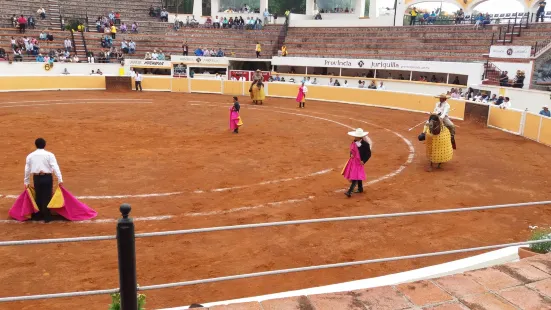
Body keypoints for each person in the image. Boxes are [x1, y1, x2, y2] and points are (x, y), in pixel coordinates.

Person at [23, 138, 62, 222]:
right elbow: (55, 167)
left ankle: (38, 215)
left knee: (38, 195)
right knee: (47, 196)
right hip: (47, 177)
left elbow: (27, 169)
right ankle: (47, 217)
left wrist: (26, 181)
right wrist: (60, 179)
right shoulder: (49, 155)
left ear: (35, 145)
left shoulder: (30, 155)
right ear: (45, 145)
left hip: (36, 178)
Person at [342, 128, 372, 197]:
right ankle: (360, 188)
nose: (355, 137)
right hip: (354, 161)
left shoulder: (365, 144)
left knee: (355, 176)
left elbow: (368, 154)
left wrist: (364, 161)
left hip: (360, 162)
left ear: (360, 137)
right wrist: (351, 155)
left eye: (356, 136)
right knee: (357, 175)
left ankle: (349, 192)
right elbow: (352, 150)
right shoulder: (354, 142)